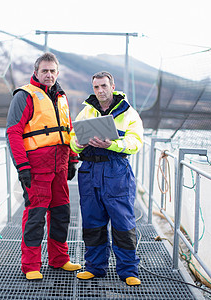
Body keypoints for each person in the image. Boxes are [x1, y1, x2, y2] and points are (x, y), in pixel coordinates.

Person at [6, 52, 81, 280]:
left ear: (57, 73)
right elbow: (13, 132)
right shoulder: (24, 96)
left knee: (61, 214)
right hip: (36, 169)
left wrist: (72, 161)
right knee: (35, 217)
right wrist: (22, 167)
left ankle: (59, 260)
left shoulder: (61, 97)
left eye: (52, 71)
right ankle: (31, 266)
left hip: (59, 167)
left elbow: (67, 131)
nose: (48, 75)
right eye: (44, 71)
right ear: (36, 72)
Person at [70, 71, 144, 286]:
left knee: (123, 222)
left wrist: (111, 144)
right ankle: (94, 267)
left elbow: (136, 142)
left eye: (104, 86)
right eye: (96, 87)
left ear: (112, 86)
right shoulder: (86, 112)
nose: (100, 91)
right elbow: (73, 141)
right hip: (90, 171)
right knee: (92, 222)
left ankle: (129, 271)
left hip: (116, 172)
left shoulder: (129, 113)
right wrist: (79, 144)